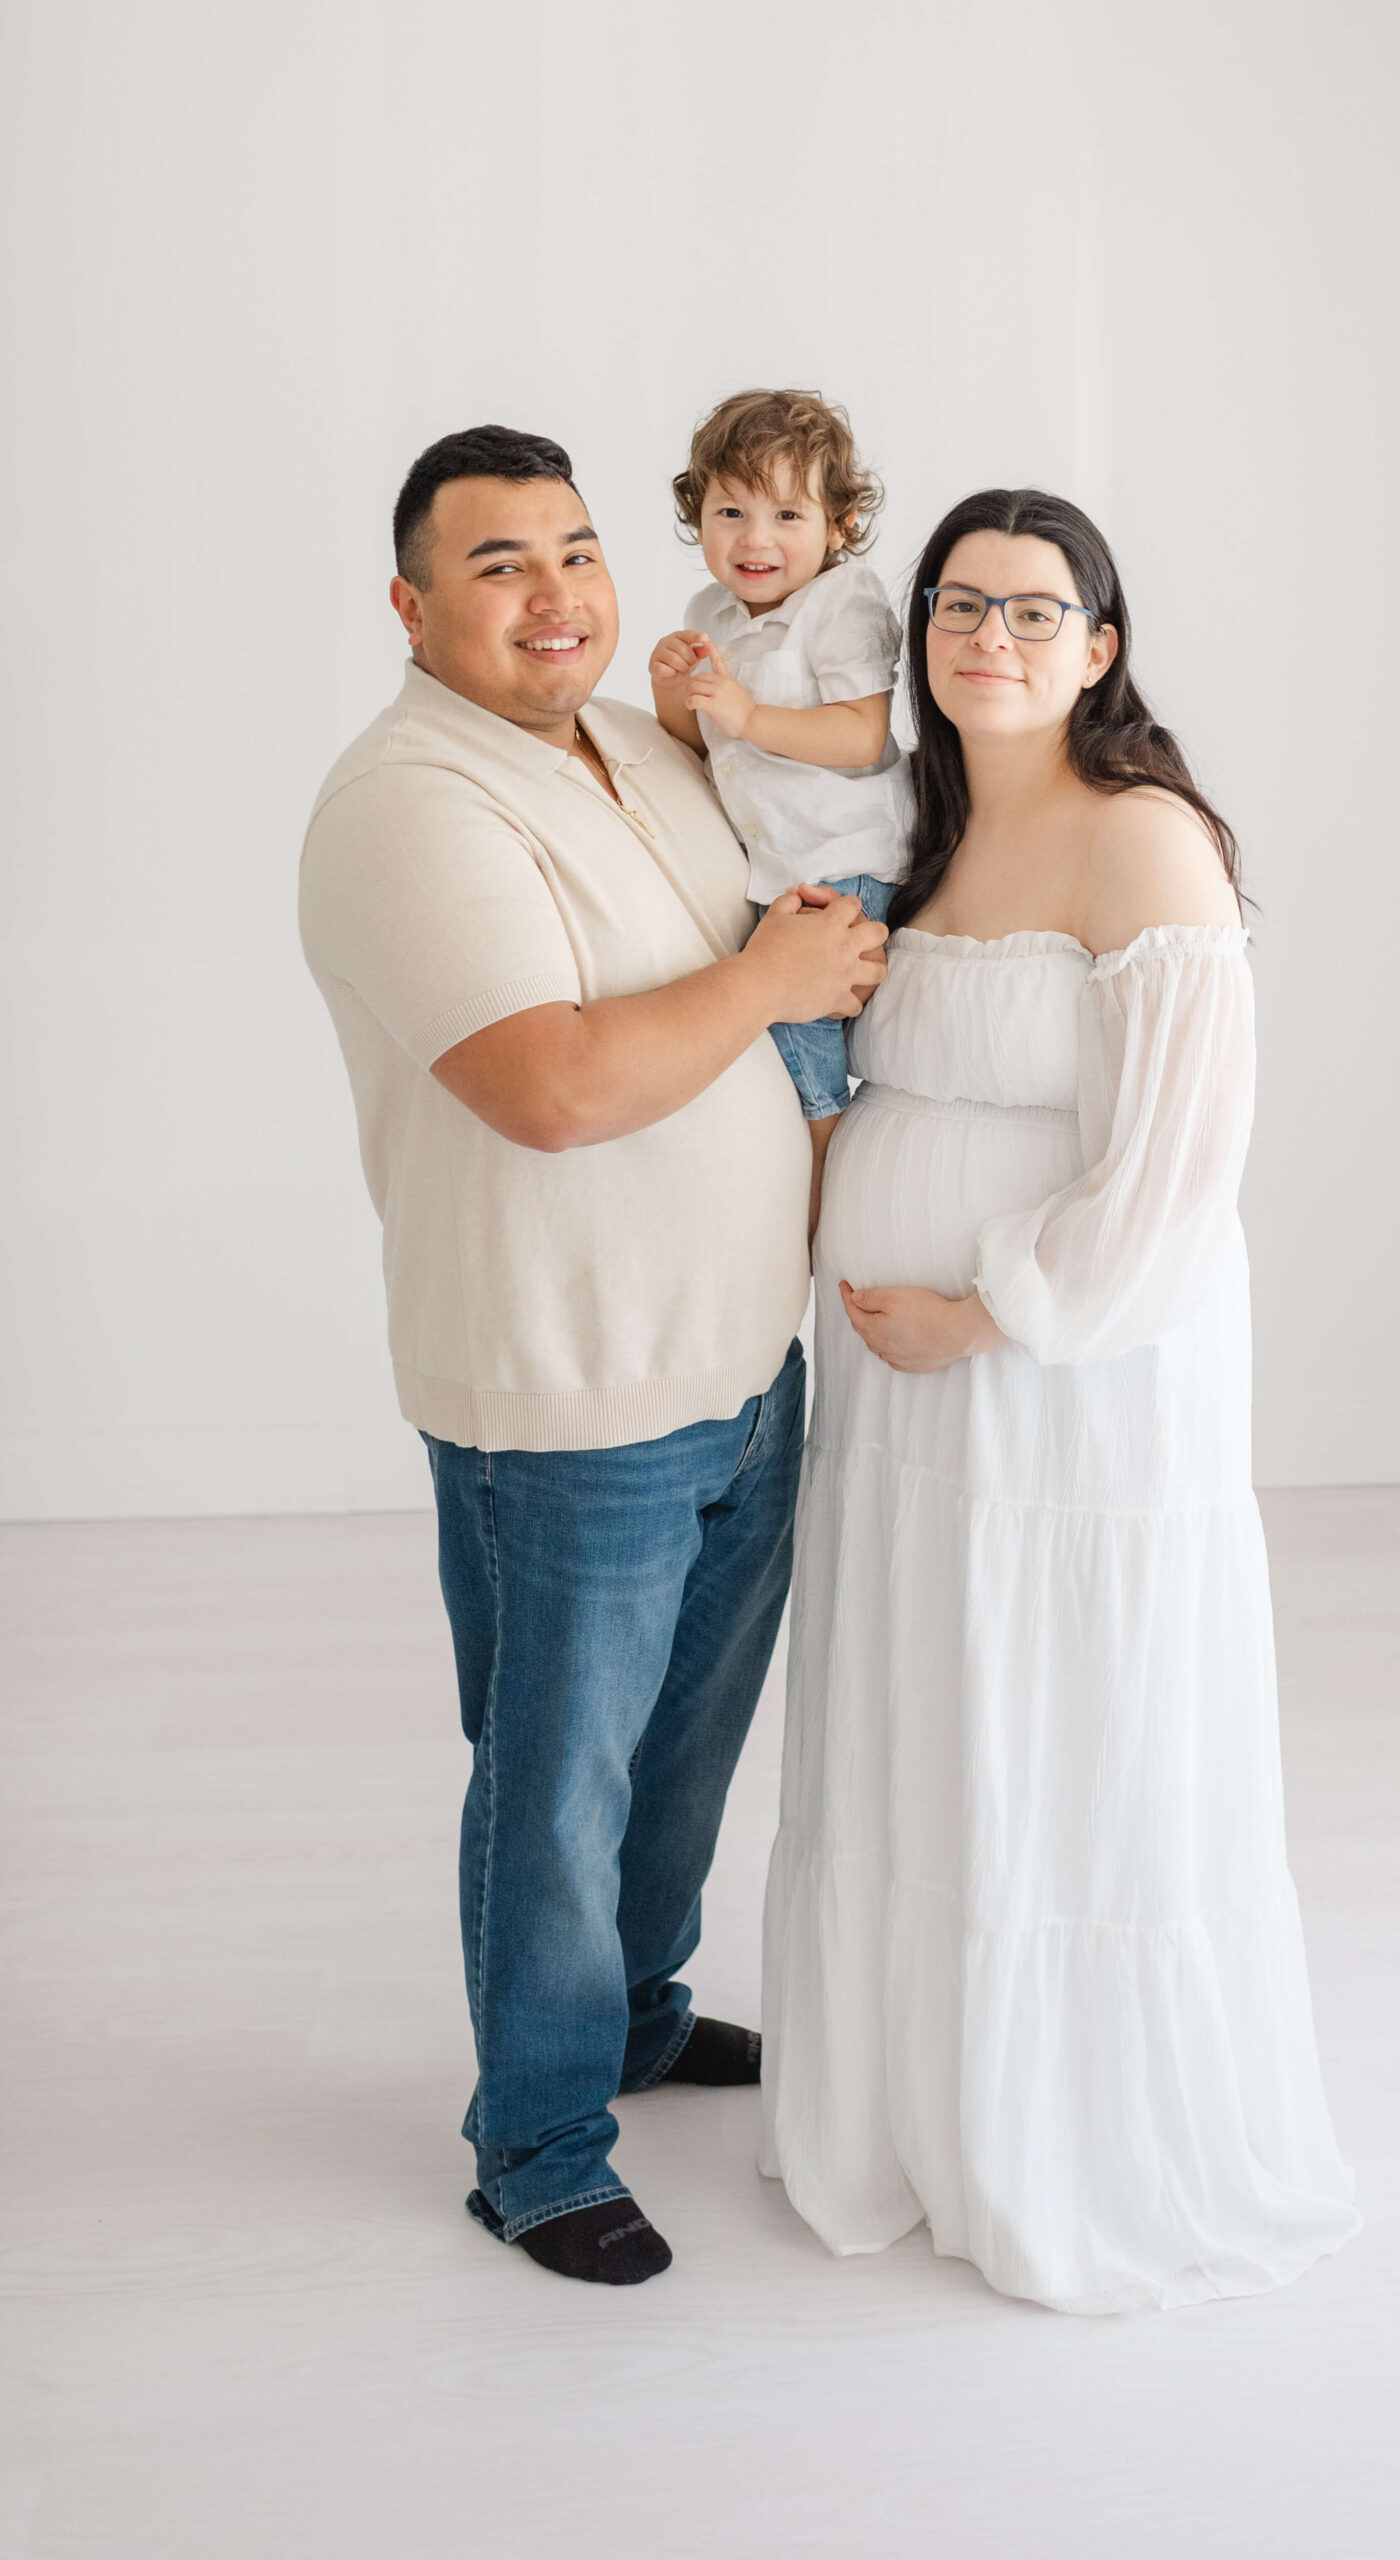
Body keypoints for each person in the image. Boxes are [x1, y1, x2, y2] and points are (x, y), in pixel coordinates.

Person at [760, 487, 1361, 2313]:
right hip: (900, 1407)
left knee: (1049, 1726)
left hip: (1059, 1393)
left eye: (1031, 613)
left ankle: (1059, 2132)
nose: (984, 640)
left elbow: (1179, 1167)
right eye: (955, 605)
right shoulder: (914, 837)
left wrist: (993, 1310)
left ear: (1098, 649)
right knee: (927, 1713)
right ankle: (914, 2110)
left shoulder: (1142, 843)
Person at [299, 424, 887, 2287]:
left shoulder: (636, 744)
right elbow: (550, 1089)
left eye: (573, 550)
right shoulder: (408, 800)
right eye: (497, 565)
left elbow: (783, 913)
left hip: (736, 1365)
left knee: (682, 1759)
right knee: (554, 1787)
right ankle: (537, 2141)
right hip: (569, 1394)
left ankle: (634, 2014)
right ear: (411, 605)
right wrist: (776, 983)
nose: (555, 595)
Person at [649, 390, 910, 1233]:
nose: (754, 538)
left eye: (787, 514)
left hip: (840, 856)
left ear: (836, 526)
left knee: (802, 1047)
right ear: (699, 519)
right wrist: (672, 694)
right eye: (730, 510)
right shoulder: (708, 616)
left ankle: (823, 1200)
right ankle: (792, 1181)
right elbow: (700, 747)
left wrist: (748, 714)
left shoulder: (844, 605)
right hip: (771, 865)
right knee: (762, 1054)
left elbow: (863, 735)